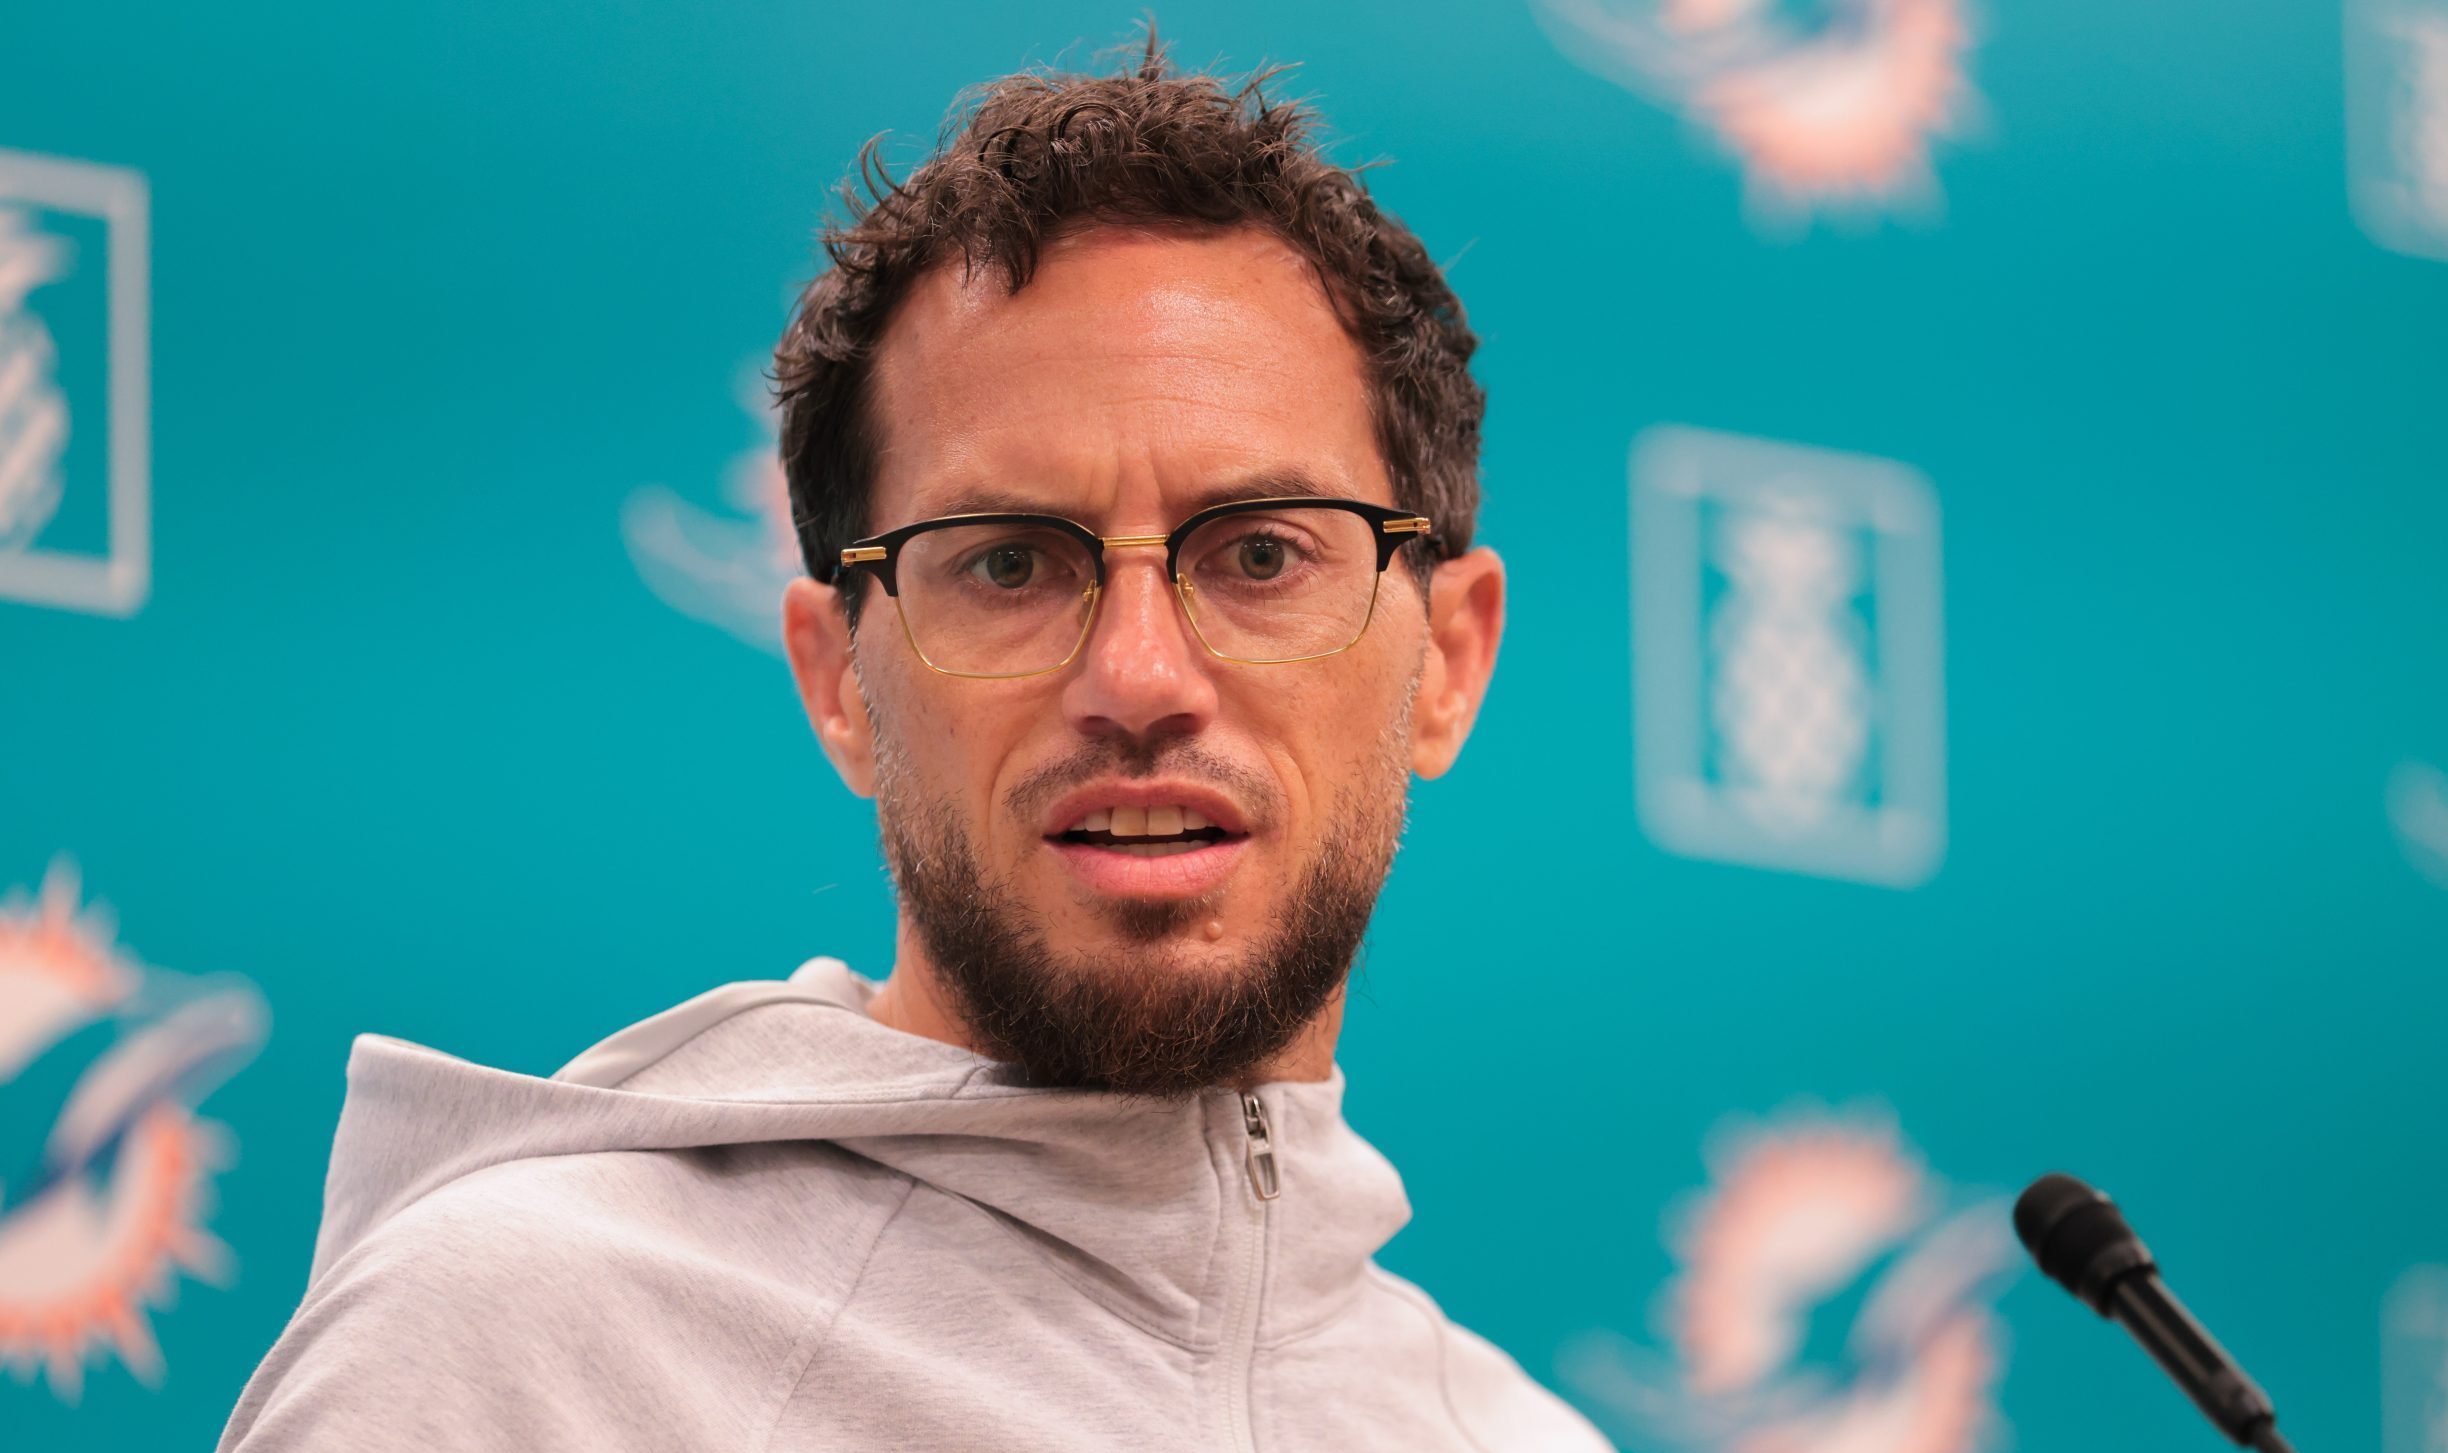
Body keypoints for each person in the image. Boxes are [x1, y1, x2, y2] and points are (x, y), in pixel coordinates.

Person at [218, 33, 1611, 1453]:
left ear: (1447, 658)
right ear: (839, 683)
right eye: (1009, 564)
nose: (1139, 677)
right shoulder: (524, 1360)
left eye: (1260, 554)